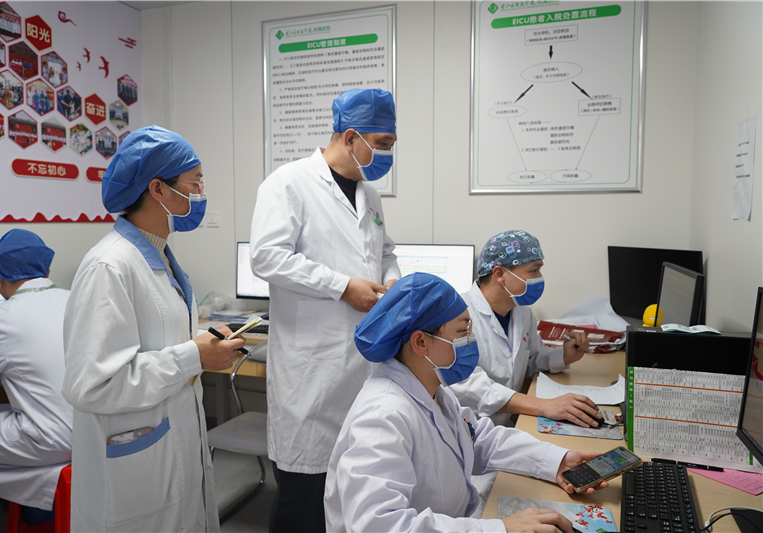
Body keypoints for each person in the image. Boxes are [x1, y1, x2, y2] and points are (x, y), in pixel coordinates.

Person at [61, 125, 245, 532]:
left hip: (171, 443)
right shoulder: (108, 266)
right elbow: (92, 385)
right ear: (158, 189)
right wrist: (193, 357)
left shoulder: (160, 258)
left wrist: (201, 351)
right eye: (195, 182)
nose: (201, 192)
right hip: (133, 468)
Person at [324, 272, 609, 533]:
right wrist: (499, 529)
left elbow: (478, 439)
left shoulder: (433, 390)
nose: (471, 342)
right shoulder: (382, 417)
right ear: (421, 342)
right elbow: (379, 525)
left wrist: (556, 460)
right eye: (462, 333)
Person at [250, 88, 401, 533]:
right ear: (351, 138)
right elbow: (267, 257)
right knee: (303, 501)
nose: (388, 155)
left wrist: (391, 280)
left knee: (351, 493)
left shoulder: (369, 194)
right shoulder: (288, 183)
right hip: (311, 373)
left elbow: (385, 252)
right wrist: (342, 287)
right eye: (383, 144)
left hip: (361, 366)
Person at [0, 229, 72, 520]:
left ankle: (29, 503)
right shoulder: (76, 299)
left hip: (52, 439)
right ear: (46, 271)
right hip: (94, 431)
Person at [449, 230, 599, 429]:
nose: (540, 277)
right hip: (468, 430)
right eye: (534, 270)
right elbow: (473, 388)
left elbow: (529, 359)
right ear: (499, 274)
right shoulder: (457, 317)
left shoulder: (521, 312)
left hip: (504, 425)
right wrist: (545, 406)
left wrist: (563, 356)